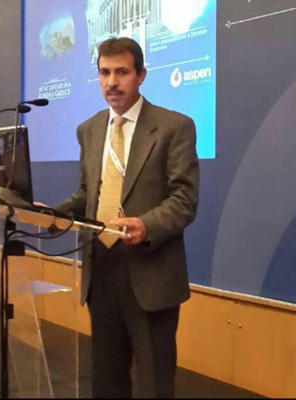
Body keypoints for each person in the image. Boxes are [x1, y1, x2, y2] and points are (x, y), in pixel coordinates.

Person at [55, 37, 199, 398]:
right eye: (104, 73)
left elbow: (184, 199)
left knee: (154, 384)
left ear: (141, 75)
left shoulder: (174, 127)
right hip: (101, 269)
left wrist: (146, 225)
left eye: (121, 72)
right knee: (106, 382)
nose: (112, 82)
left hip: (150, 273)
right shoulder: (89, 130)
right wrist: (52, 213)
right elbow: (89, 193)